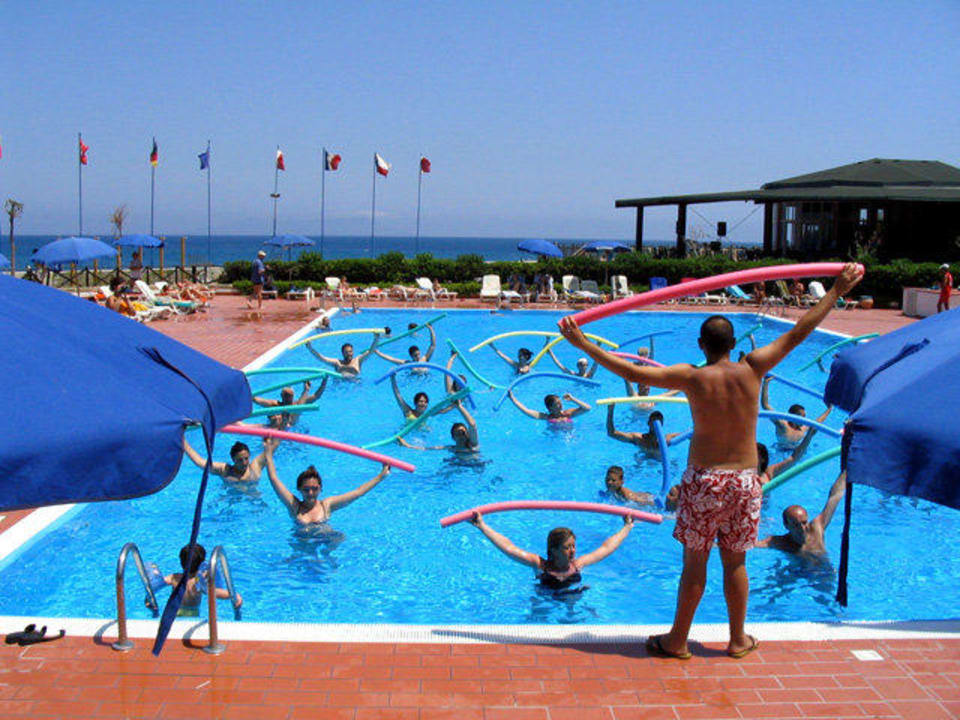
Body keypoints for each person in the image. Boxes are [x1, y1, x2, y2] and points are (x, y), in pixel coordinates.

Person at [558, 262, 863, 660]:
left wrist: (583, 344)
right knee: (736, 564)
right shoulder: (754, 367)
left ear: (702, 345)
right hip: (745, 480)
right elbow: (798, 332)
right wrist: (836, 290)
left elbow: (629, 368)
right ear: (734, 344)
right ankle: (737, 640)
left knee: (694, 564)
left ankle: (677, 641)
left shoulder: (692, 377)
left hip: (704, 480)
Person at [469, 511, 633, 594]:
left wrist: (627, 527)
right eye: (567, 547)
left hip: (572, 599)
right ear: (554, 550)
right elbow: (509, 548)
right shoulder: (540, 565)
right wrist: (483, 526)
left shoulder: (577, 565)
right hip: (544, 599)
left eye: (574, 546)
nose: (573, 551)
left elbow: (606, 548)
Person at [263, 437, 391, 525]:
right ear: (299, 490)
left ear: (320, 488)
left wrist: (381, 476)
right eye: (306, 490)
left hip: (325, 544)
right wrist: (268, 453)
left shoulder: (327, 505)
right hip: (302, 549)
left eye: (315, 489)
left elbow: (357, 493)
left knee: (338, 537)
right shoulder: (294, 506)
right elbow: (274, 479)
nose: (311, 493)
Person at [755, 472, 847, 555]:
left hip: (825, 573)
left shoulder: (817, 528)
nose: (802, 528)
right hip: (797, 573)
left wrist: (847, 470)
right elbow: (751, 545)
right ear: (786, 525)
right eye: (795, 525)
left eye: (804, 522)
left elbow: (834, 496)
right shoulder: (780, 542)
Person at [150, 543, 241, 616]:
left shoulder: (174, 578)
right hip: (191, 614)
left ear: (181, 562)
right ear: (201, 564)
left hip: (173, 613)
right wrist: (233, 595)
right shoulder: (198, 582)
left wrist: (149, 598)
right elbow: (214, 592)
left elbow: (157, 584)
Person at [760, 376, 833, 446]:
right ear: (792, 416)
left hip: (797, 452)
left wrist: (829, 409)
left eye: (804, 416)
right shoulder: (783, 425)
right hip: (780, 451)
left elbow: (818, 422)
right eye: (801, 416)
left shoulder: (803, 427)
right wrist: (766, 383)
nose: (803, 419)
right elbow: (765, 405)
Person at [396, 400, 480, 455]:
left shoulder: (472, 445)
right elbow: (425, 449)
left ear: (467, 434)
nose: (461, 436)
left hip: (474, 464)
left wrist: (459, 406)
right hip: (457, 465)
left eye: (462, 432)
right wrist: (407, 445)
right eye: (457, 433)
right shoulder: (452, 448)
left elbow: (472, 425)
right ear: (453, 437)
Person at [182, 438, 269, 483]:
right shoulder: (225, 470)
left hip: (254, 501)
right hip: (230, 501)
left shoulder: (255, 467)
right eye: (240, 460)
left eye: (246, 458)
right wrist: (183, 441)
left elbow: (272, 448)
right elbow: (200, 462)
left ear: (249, 455)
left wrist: (282, 421)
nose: (244, 463)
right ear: (233, 460)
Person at [252, 377, 327, 429]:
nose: (288, 398)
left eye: (289, 396)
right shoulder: (274, 404)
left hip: (289, 429)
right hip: (276, 429)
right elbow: (255, 399)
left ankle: (306, 390)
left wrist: (324, 382)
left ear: (293, 396)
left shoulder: (297, 404)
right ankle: (306, 390)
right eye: (286, 395)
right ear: (281, 396)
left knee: (296, 410)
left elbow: (316, 396)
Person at [606, 407, 682, 458]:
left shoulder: (667, 440)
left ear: (662, 424)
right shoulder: (638, 438)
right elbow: (612, 433)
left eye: (658, 422)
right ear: (648, 423)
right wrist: (610, 410)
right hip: (642, 463)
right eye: (654, 422)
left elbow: (691, 434)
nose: (655, 425)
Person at [307, 335, 380, 377]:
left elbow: (371, 351)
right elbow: (321, 358)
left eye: (350, 351)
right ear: (342, 353)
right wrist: (310, 347)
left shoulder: (358, 360)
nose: (349, 354)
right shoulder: (337, 362)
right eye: (346, 352)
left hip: (354, 385)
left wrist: (376, 338)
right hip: (339, 386)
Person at [508, 391, 590, 423]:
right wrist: (512, 398)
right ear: (550, 408)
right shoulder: (547, 417)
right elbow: (526, 410)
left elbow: (587, 408)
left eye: (560, 402)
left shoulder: (567, 414)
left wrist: (572, 399)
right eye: (557, 404)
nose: (561, 404)